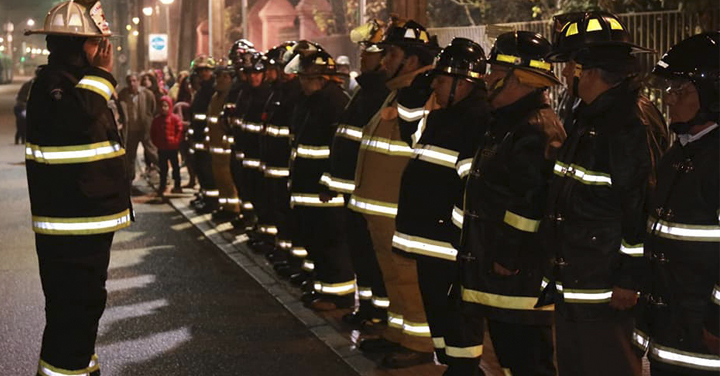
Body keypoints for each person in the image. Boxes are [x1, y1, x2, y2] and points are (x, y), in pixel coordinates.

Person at [537, 13, 654, 376]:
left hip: (604, 288)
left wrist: (628, 279)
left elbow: (639, 208)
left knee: (608, 365)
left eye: (569, 64)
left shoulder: (627, 124)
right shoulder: (586, 117)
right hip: (577, 280)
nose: (566, 74)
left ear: (584, 69)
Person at [23, 1, 132, 375]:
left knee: (83, 310)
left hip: (84, 223)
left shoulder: (74, 85)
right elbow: (75, 119)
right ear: (78, 44)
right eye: (95, 43)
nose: (102, 50)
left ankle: (82, 368)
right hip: (72, 226)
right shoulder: (55, 87)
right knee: (74, 311)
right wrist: (103, 75)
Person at [457, 31, 565, 376]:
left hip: (518, 277)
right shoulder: (509, 123)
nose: (487, 78)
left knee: (528, 360)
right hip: (505, 274)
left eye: (496, 73)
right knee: (512, 358)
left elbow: (529, 201)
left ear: (520, 79)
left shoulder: (534, 128)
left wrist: (508, 255)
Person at [352, 18, 440, 369]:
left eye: (391, 52)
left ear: (414, 59)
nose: (384, 60)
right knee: (392, 277)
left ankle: (418, 344)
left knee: (406, 276)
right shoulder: (399, 89)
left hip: (399, 208)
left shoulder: (424, 93)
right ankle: (398, 332)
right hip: (382, 207)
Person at [633, 31, 720, 376]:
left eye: (679, 90)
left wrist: (716, 323)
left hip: (704, 342)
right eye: (668, 89)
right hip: (670, 333)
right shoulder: (678, 155)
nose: (668, 99)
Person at [320, 19, 390, 327]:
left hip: (371, 194)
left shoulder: (381, 95)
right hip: (355, 193)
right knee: (362, 255)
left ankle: (381, 314)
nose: (363, 55)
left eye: (369, 51)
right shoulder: (366, 92)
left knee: (375, 259)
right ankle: (369, 309)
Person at [285, 50, 354, 310]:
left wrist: (329, 181)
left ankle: (340, 296)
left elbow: (338, 149)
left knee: (330, 243)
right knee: (314, 240)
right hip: (307, 187)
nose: (301, 82)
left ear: (322, 77)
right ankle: (324, 290)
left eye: (306, 77)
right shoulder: (309, 101)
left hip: (324, 191)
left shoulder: (334, 102)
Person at [208, 60, 241, 220]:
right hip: (215, 147)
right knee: (220, 179)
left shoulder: (230, 97)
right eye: (218, 76)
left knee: (229, 181)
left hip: (226, 147)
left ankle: (234, 209)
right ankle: (226, 207)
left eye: (224, 76)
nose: (220, 79)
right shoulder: (215, 97)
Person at [187, 55, 218, 213]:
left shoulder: (212, 90)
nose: (203, 73)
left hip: (206, 139)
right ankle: (205, 196)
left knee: (208, 171)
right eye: (201, 70)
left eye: (206, 70)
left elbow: (210, 117)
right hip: (198, 138)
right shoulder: (202, 90)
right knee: (200, 169)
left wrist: (206, 137)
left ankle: (211, 202)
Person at [118, 72, 159, 188]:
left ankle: (163, 173)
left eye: (134, 81)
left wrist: (148, 121)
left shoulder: (147, 94)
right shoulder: (123, 95)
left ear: (138, 81)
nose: (132, 84)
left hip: (144, 129)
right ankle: (129, 179)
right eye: (130, 81)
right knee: (130, 156)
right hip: (130, 130)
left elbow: (152, 108)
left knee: (152, 151)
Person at [151, 95, 184, 196]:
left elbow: (179, 130)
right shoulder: (156, 120)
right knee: (163, 168)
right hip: (162, 148)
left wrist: (176, 141)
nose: (163, 108)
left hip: (173, 148)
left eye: (166, 106)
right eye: (161, 106)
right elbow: (153, 133)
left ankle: (177, 185)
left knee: (175, 167)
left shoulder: (175, 119)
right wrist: (157, 143)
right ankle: (162, 185)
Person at [15, 78, 34, 144]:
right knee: (22, 124)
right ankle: (20, 139)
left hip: (24, 106)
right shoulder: (29, 85)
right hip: (23, 107)